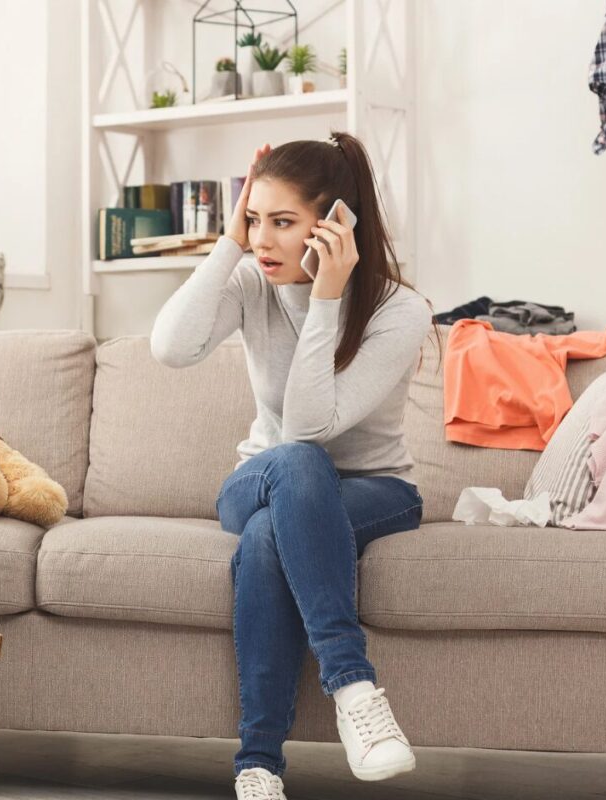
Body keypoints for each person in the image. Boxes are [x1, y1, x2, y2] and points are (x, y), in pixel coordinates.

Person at [150, 132, 435, 800]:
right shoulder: (251, 279)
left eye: (282, 223)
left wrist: (328, 298)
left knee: (267, 536)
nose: (263, 241)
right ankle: (354, 688)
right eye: (255, 219)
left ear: (336, 224)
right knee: (295, 466)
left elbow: (313, 423)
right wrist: (227, 244)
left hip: (375, 488)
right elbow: (170, 347)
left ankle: (257, 768)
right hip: (261, 478)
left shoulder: (401, 311)